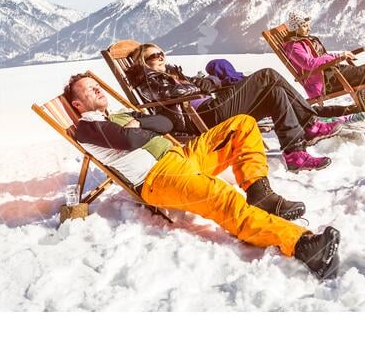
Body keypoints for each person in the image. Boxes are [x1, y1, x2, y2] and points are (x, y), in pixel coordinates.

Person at [63, 73, 342, 279]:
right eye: (89, 90)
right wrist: (144, 127)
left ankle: (259, 192)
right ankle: (304, 246)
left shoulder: (120, 114)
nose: (97, 89)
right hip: (159, 177)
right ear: (78, 105)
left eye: (96, 84)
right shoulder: (87, 128)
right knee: (223, 199)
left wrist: (142, 124)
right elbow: (131, 140)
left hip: (182, 156)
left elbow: (166, 122)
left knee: (241, 125)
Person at [125, 43, 345, 171]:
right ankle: (310, 123)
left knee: (274, 92)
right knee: (267, 75)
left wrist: (206, 82)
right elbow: (176, 95)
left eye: (162, 52)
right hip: (205, 115)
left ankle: (295, 153)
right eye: (154, 55)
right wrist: (202, 85)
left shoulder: (170, 73)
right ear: (143, 62)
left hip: (211, 107)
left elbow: (196, 84)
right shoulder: (149, 80)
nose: (161, 56)